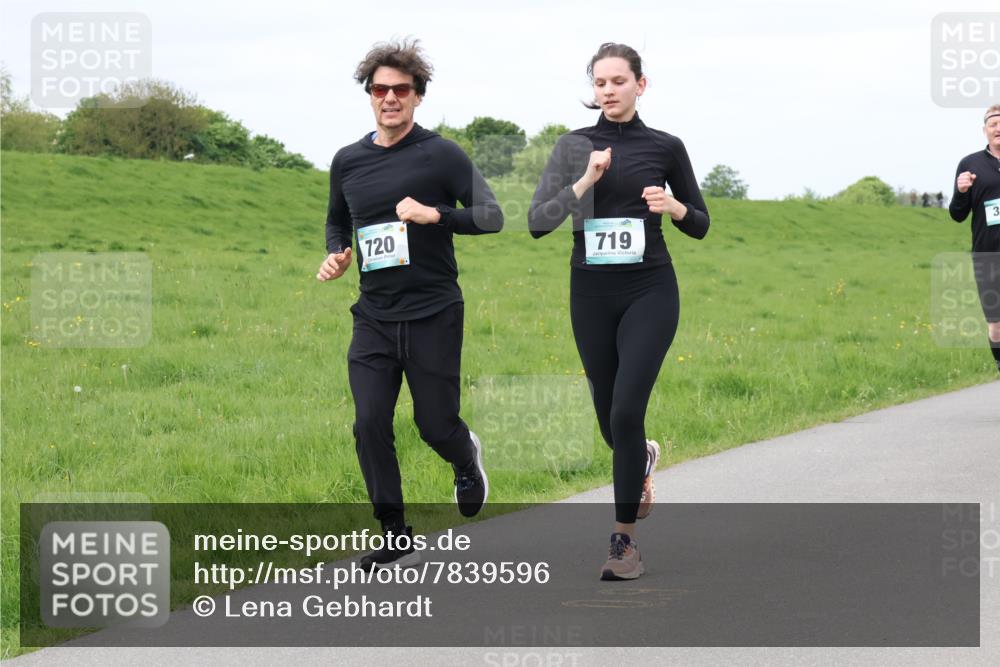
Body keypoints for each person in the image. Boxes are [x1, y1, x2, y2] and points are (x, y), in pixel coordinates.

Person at [317, 39, 503, 568]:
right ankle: (394, 531)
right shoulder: (348, 161)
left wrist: (435, 215)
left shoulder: (440, 154)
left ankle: (464, 457)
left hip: (433, 313)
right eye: (380, 90)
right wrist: (337, 252)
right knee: (369, 422)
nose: (390, 98)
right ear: (369, 96)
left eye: (401, 90)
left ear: (418, 95)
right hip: (374, 317)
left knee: (434, 424)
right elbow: (337, 220)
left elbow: (491, 216)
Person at [528, 43, 710, 580]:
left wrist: (673, 207)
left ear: (640, 85)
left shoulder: (665, 146)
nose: (607, 91)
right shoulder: (573, 146)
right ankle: (642, 460)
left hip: (650, 290)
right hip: (590, 295)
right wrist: (586, 180)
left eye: (618, 81)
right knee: (612, 419)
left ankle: (624, 542)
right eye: (599, 82)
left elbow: (700, 223)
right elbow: (538, 222)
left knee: (627, 411)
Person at [949, 104, 1000, 373]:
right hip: (987, 255)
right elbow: (957, 215)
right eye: (993, 124)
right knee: (996, 324)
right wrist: (961, 192)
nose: (998, 128)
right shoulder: (970, 165)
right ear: (985, 130)